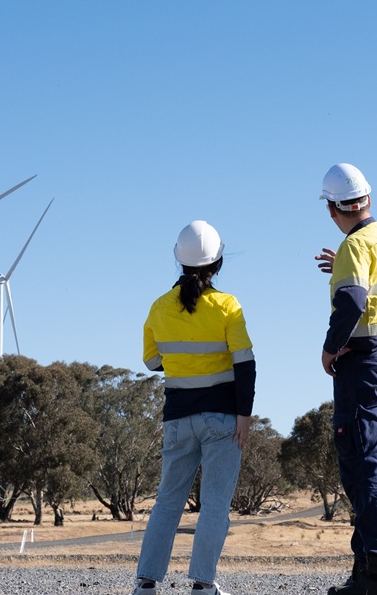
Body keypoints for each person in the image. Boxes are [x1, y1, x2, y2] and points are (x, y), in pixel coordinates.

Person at [133, 220, 256, 595]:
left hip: (177, 419)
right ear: (217, 262)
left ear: (179, 261)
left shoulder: (158, 307)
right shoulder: (227, 306)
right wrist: (244, 416)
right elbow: (245, 364)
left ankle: (146, 584)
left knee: (167, 503)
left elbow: (153, 362)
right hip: (222, 419)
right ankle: (203, 584)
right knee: (215, 505)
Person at [314, 163, 377, 595]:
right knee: (369, 465)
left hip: (362, 369)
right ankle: (363, 574)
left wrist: (331, 347)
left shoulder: (355, 247)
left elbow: (353, 301)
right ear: (367, 199)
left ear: (334, 209)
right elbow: (372, 290)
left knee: (362, 469)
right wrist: (343, 266)